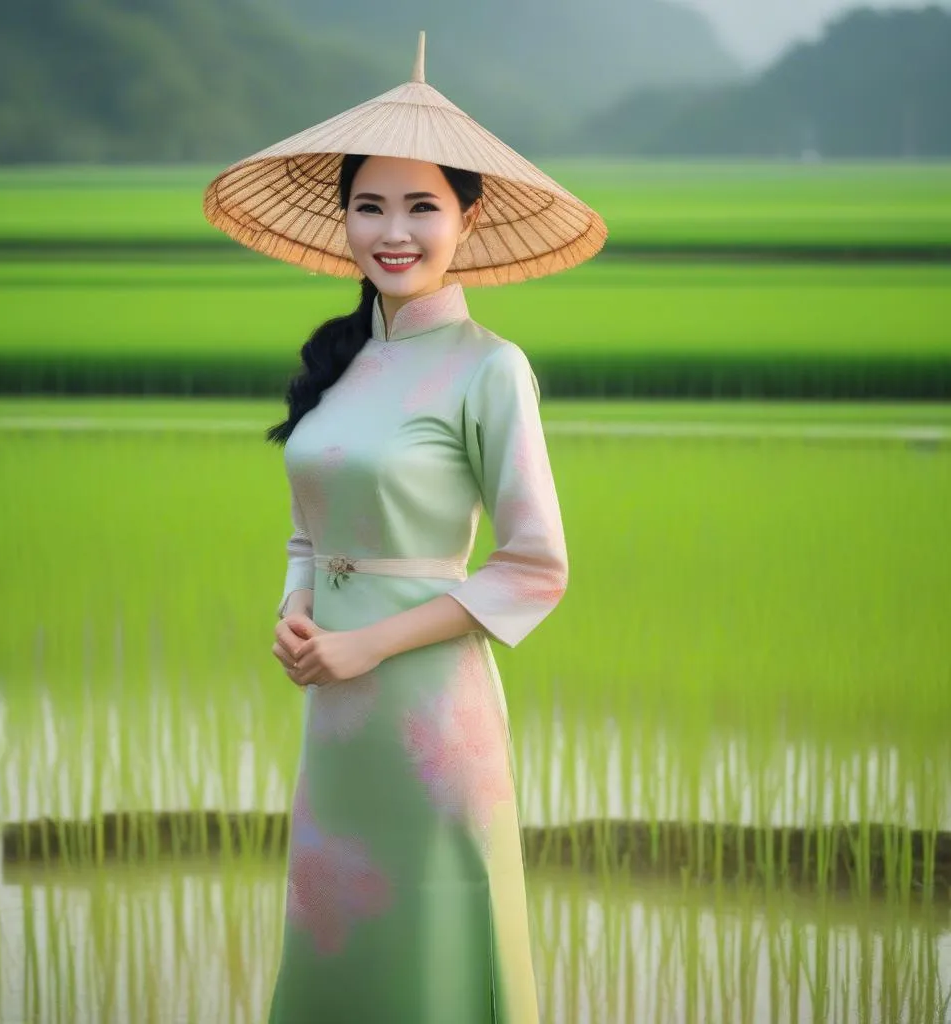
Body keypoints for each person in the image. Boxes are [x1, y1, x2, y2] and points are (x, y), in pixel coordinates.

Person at [204, 32, 606, 1024]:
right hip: (336, 716)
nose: (392, 230)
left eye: (421, 205)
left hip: (426, 707)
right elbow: (311, 532)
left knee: (434, 923)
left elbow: (533, 566)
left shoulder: (489, 367)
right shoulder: (343, 362)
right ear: (341, 215)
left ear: (467, 216)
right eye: (368, 204)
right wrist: (294, 613)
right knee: (337, 928)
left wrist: (364, 643)